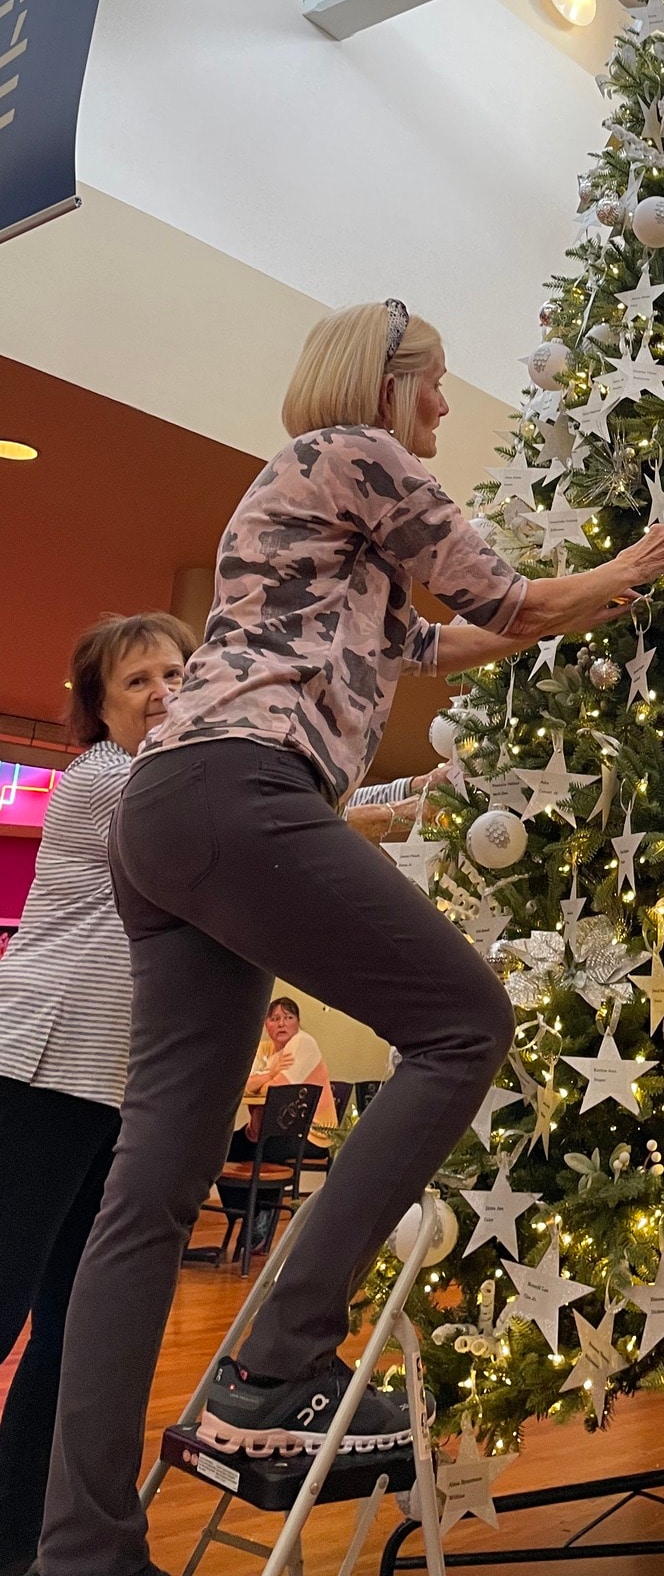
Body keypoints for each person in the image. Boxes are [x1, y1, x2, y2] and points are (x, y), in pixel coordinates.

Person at [41, 299, 664, 1576]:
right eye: (437, 384)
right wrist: (617, 574)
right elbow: (503, 590)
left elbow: (438, 638)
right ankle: (278, 1357)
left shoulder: (295, 499)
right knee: (465, 1023)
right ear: (387, 380)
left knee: (149, 1196)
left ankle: (84, 1552)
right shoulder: (360, 452)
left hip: (168, 817)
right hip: (241, 792)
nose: (445, 409)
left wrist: (586, 608)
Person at [0, 613, 195, 1576]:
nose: (164, 690)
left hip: (109, 1087)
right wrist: (402, 806)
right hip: (37, 1067)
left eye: (177, 671)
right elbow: (235, 832)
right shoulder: (108, 782)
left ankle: (20, 1537)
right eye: (137, 682)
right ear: (98, 710)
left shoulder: (178, 774)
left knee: (72, 1331)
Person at [240, 996, 337, 1142]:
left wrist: (260, 1082)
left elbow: (273, 1091)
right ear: (266, 1024)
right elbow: (243, 1086)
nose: (281, 1024)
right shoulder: (264, 1048)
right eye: (275, 1019)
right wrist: (272, 1073)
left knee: (220, 1152)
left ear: (298, 1023)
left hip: (309, 1136)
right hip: (266, 1133)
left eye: (288, 1017)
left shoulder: (303, 1043)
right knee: (216, 1144)